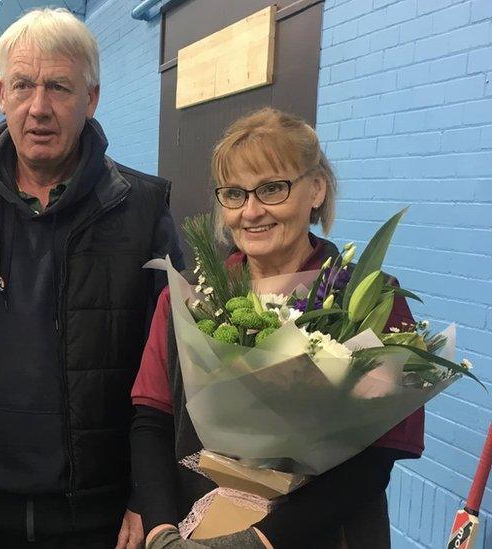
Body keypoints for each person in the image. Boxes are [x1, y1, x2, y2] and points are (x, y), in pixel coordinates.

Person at [0, 7, 184, 549]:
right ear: (1, 93)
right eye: (23, 85)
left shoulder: (144, 210)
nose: (39, 108)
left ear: (92, 98)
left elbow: (173, 366)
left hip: (101, 518)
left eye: (59, 87)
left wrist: (149, 495)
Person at [129, 107, 425, 548]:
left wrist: (257, 543)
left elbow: (378, 455)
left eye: (272, 188)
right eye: (234, 193)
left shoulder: (370, 301)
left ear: (317, 189)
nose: (251, 211)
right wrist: (159, 531)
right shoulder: (186, 299)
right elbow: (152, 419)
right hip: (197, 533)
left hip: (327, 536)